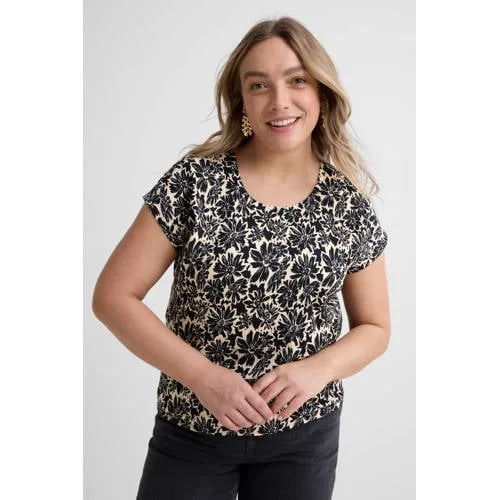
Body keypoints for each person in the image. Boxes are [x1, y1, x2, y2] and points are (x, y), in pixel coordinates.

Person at [92, 15, 390, 500]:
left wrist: (317, 369)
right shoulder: (195, 183)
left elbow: (375, 328)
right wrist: (204, 379)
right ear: (242, 101)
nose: (280, 101)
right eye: (259, 85)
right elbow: (112, 297)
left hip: (304, 440)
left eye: (297, 80)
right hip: (192, 430)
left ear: (321, 92)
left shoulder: (348, 204)